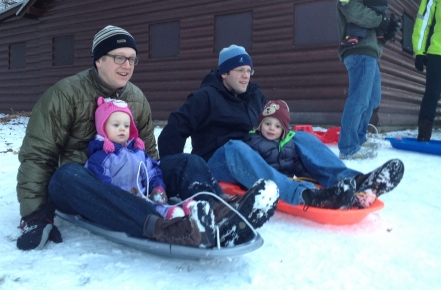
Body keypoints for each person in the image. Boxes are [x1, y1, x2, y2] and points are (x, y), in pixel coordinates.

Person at [16, 25, 259, 251]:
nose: (127, 65)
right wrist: (35, 214)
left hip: (133, 179)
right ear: (98, 60)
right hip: (87, 185)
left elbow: (149, 154)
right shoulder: (65, 94)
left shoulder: (136, 97)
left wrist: (158, 186)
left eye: (132, 59)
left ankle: (221, 217)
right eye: (119, 57)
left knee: (187, 161)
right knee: (67, 175)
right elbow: (38, 155)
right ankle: (168, 227)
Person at [158, 45, 405, 213]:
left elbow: (272, 123)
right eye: (240, 71)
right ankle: (305, 196)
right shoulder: (205, 97)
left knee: (300, 137)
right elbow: (174, 129)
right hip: (218, 162)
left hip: (257, 153)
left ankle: (353, 181)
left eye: (248, 70)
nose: (246, 76)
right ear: (224, 73)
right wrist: (171, 173)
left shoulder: (255, 95)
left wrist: (284, 140)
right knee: (234, 147)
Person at [336, 0, 401, 160]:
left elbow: (374, 36)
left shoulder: (367, 1)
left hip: (369, 54)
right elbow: (367, 18)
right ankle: (347, 148)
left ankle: (359, 137)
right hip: (358, 52)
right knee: (359, 99)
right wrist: (382, 19)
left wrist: (387, 32)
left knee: (372, 99)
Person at [85, 97, 187, 219]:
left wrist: (157, 187)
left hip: (142, 197)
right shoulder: (100, 158)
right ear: (103, 128)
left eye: (126, 126)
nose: (122, 128)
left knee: (157, 206)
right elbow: (101, 184)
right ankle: (164, 220)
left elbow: (152, 172)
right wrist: (125, 196)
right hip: (118, 204)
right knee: (144, 210)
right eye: (116, 125)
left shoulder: (138, 153)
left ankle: (186, 214)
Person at [242, 100, 313, 181]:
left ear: (283, 130)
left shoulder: (288, 143)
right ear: (260, 125)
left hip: (287, 180)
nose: (272, 128)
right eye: (267, 124)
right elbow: (254, 165)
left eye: (277, 126)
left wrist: (307, 178)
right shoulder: (255, 142)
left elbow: (297, 164)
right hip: (266, 181)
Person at [412, 0, 441, 141]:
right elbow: (423, 23)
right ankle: (423, 136)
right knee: (433, 93)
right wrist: (419, 51)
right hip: (437, 52)